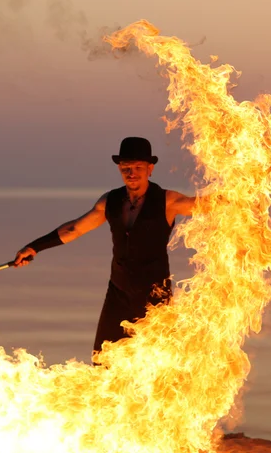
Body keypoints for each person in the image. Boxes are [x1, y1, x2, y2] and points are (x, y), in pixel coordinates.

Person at [13, 136, 196, 356]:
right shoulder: (110, 201)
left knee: (157, 365)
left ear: (150, 169)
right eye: (126, 167)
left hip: (154, 297)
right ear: (119, 169)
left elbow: (205, 205)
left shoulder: (167, 200)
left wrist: (240, 194)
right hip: (118, 293)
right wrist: (34, 247)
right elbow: (75, 229)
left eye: (138, 167)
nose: (131, 173)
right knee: (103, 360)